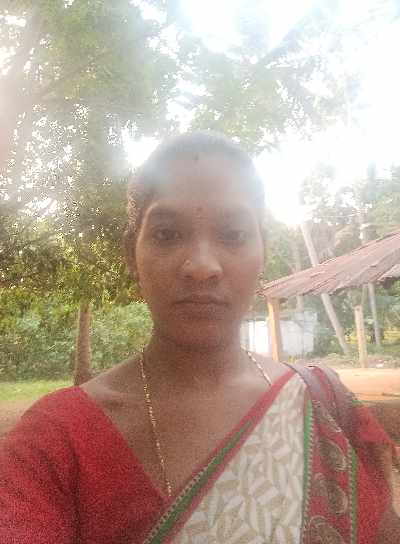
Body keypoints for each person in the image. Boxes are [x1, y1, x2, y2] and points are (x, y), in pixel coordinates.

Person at [0, 131, 397, 543]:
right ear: (131, 254)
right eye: (167, 234)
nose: (202, 267)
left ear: (263, 250)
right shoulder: (55, 445)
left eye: (233, 235)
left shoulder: (325, 406)